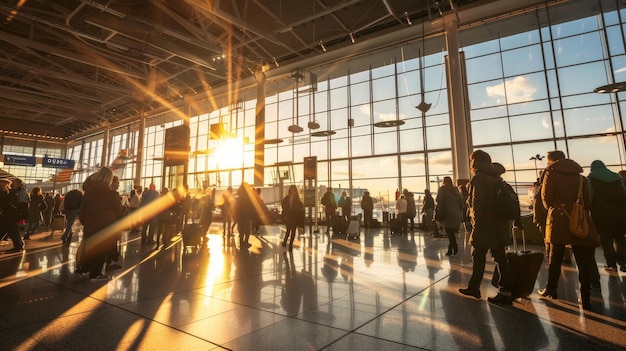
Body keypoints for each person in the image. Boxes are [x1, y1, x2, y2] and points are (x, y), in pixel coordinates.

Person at [538, 153, 600, 310]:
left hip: (558, 220)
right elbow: (587, 201)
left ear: (552, 161)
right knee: (583, 260)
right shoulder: (581, 178)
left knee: (555, 257)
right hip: (579, 220)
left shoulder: (550, 174)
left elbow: (546, 200)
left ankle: (551, 289)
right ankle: (585, 298)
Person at [459, 150, 513, 305]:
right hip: (498, 224)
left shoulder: (479, 178)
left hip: (484, 225)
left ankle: (476, 288)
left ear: (475, 162)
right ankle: (503, 290)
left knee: (479, 256)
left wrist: (475, 224)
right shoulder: (496, 177)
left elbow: (477, 204)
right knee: (499, 257)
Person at [77, 167, 122, 280]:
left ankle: (85, 268)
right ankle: (96, 273)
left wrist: (85, 222)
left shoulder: (88, 193)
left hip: (90, 225)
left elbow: (82, 210)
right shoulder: (112, 194)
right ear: (109, 179)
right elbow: (118, 211)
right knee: (101, 250)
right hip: (106, 226)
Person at [587, 160, 626, 273]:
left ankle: (611, 264)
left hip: (601, 215)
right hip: (620, 214)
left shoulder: (591, 180)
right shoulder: (617, 178)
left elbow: (589, 197)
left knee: (606, 240)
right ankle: (623, 262)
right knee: (620, 238)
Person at [436, 176, 464, 256]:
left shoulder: (442, 189)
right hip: (456, 213)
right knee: (450, 232)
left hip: (447, 213)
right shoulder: (456, 189)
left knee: (448, 231)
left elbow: (438, 199)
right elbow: (461, 202)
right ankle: (451, 248)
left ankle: (454, 246)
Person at [0, 179, 24, 252]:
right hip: (9, 215)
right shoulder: (10, 192)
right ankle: (19, 245)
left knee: (9, 230)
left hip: (8, 215)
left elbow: (9, 202)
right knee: (13, 231)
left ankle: (19, 245)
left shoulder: (11, 192)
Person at [281, 185, 304, 250]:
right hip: (289, 216)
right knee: (288, 230)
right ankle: (285, 242)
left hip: (294, 216)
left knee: (293, 230)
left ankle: (290, 244)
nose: (292, 191)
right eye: (291, 189)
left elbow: (300, 208)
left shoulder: (297, 199)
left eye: (293, 189)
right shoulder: (287, 198)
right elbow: (283, 205)